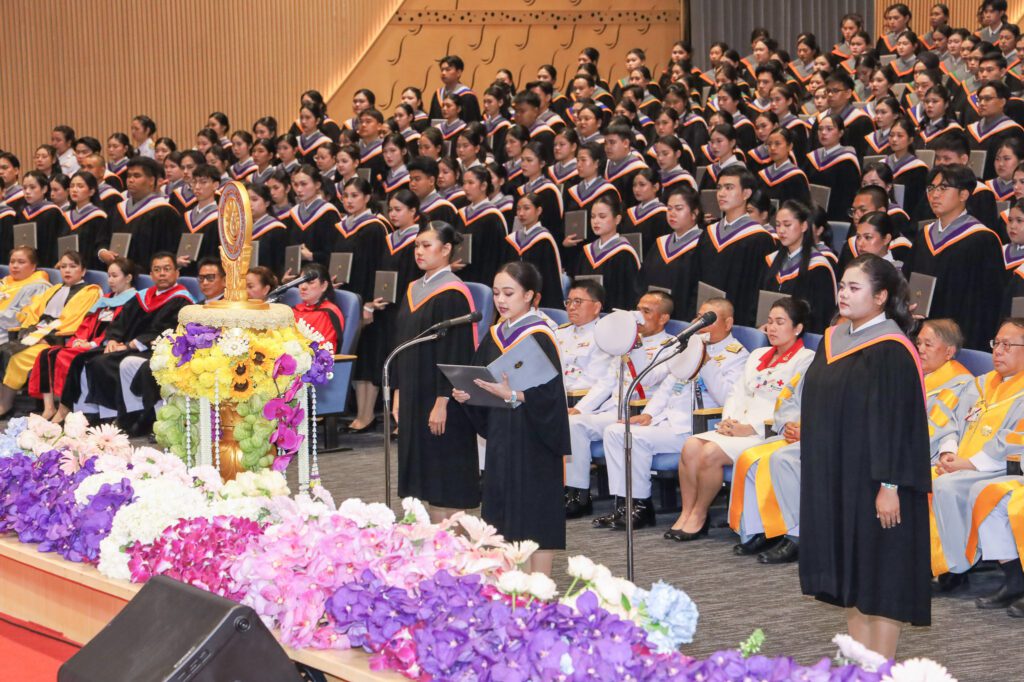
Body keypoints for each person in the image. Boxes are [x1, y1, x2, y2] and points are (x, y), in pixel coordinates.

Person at [800, 254, 931, 658]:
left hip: (880, 482)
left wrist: (890, 486)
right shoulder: (833, 339)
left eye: (854, 287)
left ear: (880, 297)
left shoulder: (892, 349)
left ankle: (882, 667)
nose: (843, 293)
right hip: (840, 477)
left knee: (882, 577)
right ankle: (861, 666)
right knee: (852, 575)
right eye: (842, 285)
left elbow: (900, 424)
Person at [452, 262, 569, 576]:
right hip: (503, 436)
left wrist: (515, 395)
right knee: (501, 512)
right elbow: (482, 380)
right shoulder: (496, 334)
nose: (500, 300)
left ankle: (540, 587)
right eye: (496, 293)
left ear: (529, 295)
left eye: (509, 293)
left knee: (535, 515)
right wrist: (469, 395)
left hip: (534, 438)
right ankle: (508, 585)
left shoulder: (539, 335)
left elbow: (552, 397)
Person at [667, 297, 814, 541]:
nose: (772, 328)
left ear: (797, 328)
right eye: (769, 322)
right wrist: (729, 421)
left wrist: (751, 428)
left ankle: (699, 514)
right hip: (737, 427)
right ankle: (686, 512)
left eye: (780, 322)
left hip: (766, 433)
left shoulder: (805, 359)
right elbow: (737, 392)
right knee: (691, 445)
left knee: (710, 453)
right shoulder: (758, 354)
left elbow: (791, 405)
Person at [602, 298, 748, 531]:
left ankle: (640, 507)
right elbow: (665, 383)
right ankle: (627, 504)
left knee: (633, 438)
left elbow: (727, 399)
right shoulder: (689, 345)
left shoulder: (737, 355)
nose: (700, 323)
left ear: (728, 323)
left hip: (696, 427)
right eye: (699, 317)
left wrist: (706, 364)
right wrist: (649, 414)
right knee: (614, 431)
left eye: (708, 319)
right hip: (667, 421)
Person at [392, 221, 480, 523]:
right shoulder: (413, 288)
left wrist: (443, 401)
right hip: (413, 392)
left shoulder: (453, 293)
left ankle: (457, 544)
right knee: (425, 480)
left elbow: (456, 352)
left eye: (426, 245)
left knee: (446, 480)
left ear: (446, 250)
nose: (419, 251)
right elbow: (401, 342)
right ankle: (435, 544)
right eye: (417, 245)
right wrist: (398, 391)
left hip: (441, 398)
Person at [931, 318, 1024, 589]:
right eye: (997, 343)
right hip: (961, 463)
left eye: (1007, 345)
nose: (998, 351)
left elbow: (1014, 441)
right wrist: (948, 452)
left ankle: (958, 565)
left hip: (999, 466)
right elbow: (950, 419)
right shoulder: (979, 385)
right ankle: (942, 563)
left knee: (947, 486)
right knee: (927, 479)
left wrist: (969, 464)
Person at [564, 291, 673, 517]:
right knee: (573, 422)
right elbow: (606, 381)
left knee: (600, 430)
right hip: (613, 408)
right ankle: (577, 494)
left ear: (663, 318)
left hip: (640, 411)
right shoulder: (627, 342)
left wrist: (636, 344)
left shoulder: (670, 346)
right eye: (638, 310)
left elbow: (648, 379)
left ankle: (626, 505)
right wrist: (581, 408)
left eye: (646, 312)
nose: (639, 317)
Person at [67, 253, 194, 428]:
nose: (162, 274)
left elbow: (168, 331)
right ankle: (103, 415)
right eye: (157, 270)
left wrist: (132, 344)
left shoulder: (182, 300)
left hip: (156, 350)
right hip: (130, 346)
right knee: (89, 359)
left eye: (167, 269)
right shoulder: (143, 296)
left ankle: (131, 416)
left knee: (108, 362)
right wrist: (113, 339)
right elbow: (121, 322)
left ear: (177, 273)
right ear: (151, 275)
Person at [906, 164, 1004, 350]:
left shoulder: (983, 239)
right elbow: (909, 281)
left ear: (963, 194)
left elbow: (990, 302)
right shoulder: (924, 235)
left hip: (961, 339)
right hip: (921, 335)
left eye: (943, 188)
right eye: (931, 188)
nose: (934, 195)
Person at [0, 251, 101, 418]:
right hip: (38, 335)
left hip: (58, 340)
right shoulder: (53, 290)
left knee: (16, 357)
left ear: (83, 271)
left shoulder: (90, 292)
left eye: (72, 266)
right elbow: (32, 313)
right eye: (63, 266)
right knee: (3, 350)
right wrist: (29, 332)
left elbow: (75, 322)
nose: (67, 270)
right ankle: (4, 402)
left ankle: (5, 404)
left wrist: (47, 338)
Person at [34, 258, 136, 422]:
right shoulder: (106, 300)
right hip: (89, 343)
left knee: (66, 357)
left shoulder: (133, 301)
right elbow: (87, 324)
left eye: (115, 276)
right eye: (109, 276)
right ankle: (49, 408)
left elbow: (118, 331)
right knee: (46, 353)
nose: (110, 280)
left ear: (128, 278)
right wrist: (79, 339)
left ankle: (66, 409)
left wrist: (92, 344)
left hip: (108, 346)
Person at [335, 177, 389, 432]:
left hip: (367, 303)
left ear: (367, 198)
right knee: (354, 358)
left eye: (355, 195)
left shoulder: (375, 228)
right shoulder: (341, 226)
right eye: (346, 195)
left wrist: (369, 304)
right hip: (346, 300)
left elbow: (377, 268)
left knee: (368, 358)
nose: (349, 200)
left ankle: (367, 415)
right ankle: (360, 414)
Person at [695, 166, 775, 326]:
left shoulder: (760, 238)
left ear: (746, 194)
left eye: (729, 188)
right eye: (719, 187)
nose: (721, 193)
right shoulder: (709, 232)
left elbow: (757, 290)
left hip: (738, 323)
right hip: (705, 320)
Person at [763, 200, 837, 333]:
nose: (781, 230)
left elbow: (821, 317)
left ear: (803, 226)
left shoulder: (818, 267)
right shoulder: (771, 260)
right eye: (778, 225)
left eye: (787, 225)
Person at [102, 157, 184, 268]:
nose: (130, 180)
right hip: (115, 274)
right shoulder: (118, 209)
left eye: (136, 176)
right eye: (129, 176)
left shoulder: (165, 212)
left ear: (151, 180)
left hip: (148, 275)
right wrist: (103, 252)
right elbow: (103, 239)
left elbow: (169, 251)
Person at [916, 319, 975, 463]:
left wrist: (946, 453)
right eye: (918, 343)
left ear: (949, 352)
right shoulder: (912, 373)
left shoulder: (962, 384)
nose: (920, 349)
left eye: (928, 345)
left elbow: (949, 426)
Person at [641, 185, 703, 320]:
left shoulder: (703, 244)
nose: (672, 213)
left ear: (694, 213)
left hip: (685, 320)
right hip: (653, 319)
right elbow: (643, 281)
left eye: (678, 208)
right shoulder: (660, 243)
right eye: (669, 209)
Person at [573, 193, 642, 311]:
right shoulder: (587, 252)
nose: (596, 221)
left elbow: (629, 296)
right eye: (593, 216)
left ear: (617, 219)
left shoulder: (624, 253)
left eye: (602, 216)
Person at [555, 280, 612, 402]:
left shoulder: (604, 337)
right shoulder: (559, 332)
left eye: (578, 302)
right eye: (568, 302)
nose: (571, 307)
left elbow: (592, 380)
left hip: (578, 400)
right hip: (554, 395)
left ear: (596, 307)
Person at [503, 192, 562, 309]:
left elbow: (550, 280)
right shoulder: (513, 240)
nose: (521, 213)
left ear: (538, 211)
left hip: (539, 302)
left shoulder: (544, 239)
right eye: (518, 209)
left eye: (526, 208)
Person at [283, 165, 342, 271]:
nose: (299, 189)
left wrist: (312, 256)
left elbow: (334, 251)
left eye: (304, 184)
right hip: (296, 274)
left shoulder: (328, 212)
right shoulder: (294, 213)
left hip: (320, 273)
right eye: (295, 184)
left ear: (317, 185)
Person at [0, 248, 52, 346]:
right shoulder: (4, 282)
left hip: (9, 333)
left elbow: (25, 318)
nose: (15, 266)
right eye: (12, 262)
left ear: (33, 266)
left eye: (21, 262)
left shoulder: (39, 287)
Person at [177, 164, 222, 275]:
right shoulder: (186, 216)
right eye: (194, 182)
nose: (197, 187)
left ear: (215, 185)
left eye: (203, 182)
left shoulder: (222, 218)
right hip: (183, 275)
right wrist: (176, 260)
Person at [61, 171, 108, 270]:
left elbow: (100, 246)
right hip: (67, 269)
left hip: (90, 269)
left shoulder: (98, 217)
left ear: (91, 191)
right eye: (72, 186)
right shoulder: (66, 216)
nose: (74, 190)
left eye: (80, 186)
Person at [292, 263, 344, 350]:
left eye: (310, 282)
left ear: (323, 286)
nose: (303, 287)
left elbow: (325, 352)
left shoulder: (328, 313)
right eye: (300, 282)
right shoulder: (293, 310)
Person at [19, 170, 64, 267]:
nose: (27, 191)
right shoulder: (21, 212)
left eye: (32, 187)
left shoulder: (52, 212)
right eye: (25, 188)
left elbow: (53, 245)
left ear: (44, 189)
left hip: (46, 266)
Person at [756, 127, 811, 205]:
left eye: (777, 144)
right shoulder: (764, 175)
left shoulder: (796, 176)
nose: (772, 148)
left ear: (790, 146)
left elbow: (802, 207)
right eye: (769, 144)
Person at [428, 55, 481, 123]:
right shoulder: (438, 94)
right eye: (442, 70)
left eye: (448, 70)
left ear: (458, 73)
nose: (443, 73)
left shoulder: (467, 96)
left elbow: (472, 123)